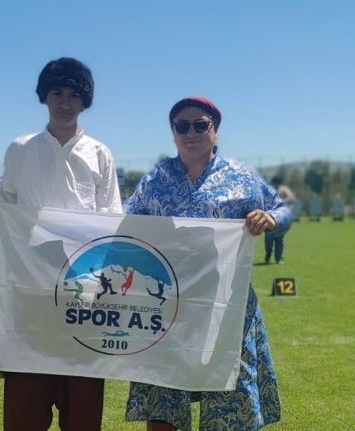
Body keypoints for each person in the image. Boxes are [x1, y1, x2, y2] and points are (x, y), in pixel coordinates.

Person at [0, 57, 122, 431]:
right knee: (24, 414)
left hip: (82, 298)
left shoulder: (100, 153)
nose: (65, 103)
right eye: (57, 93)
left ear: (85, 101)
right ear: (44, 96)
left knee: (83, 415)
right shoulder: (20, 149)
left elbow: (112, 221)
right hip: (30, 296)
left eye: (74, 95)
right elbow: (4, 207)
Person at [123, 96, 291, 431]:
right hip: (167, 306)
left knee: (230, 398)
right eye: (182, 126)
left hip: (226, 306)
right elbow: (122, 218)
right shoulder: (155, 180)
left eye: (200, 125)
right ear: (173, 132)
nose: (191, 133)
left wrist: (271, 218)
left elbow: (282, 209)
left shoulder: (241, 178)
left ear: (215, 130)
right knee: (163, 399)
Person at [264, 176, 295, 264]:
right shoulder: (269, 189)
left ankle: (279, 258)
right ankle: (268, 252)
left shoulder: (283, 189)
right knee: (268, 238)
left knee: (279, 239)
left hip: (280, 216)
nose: (276, 184)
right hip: (270, 216)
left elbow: (291, 198)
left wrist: (284, 200)